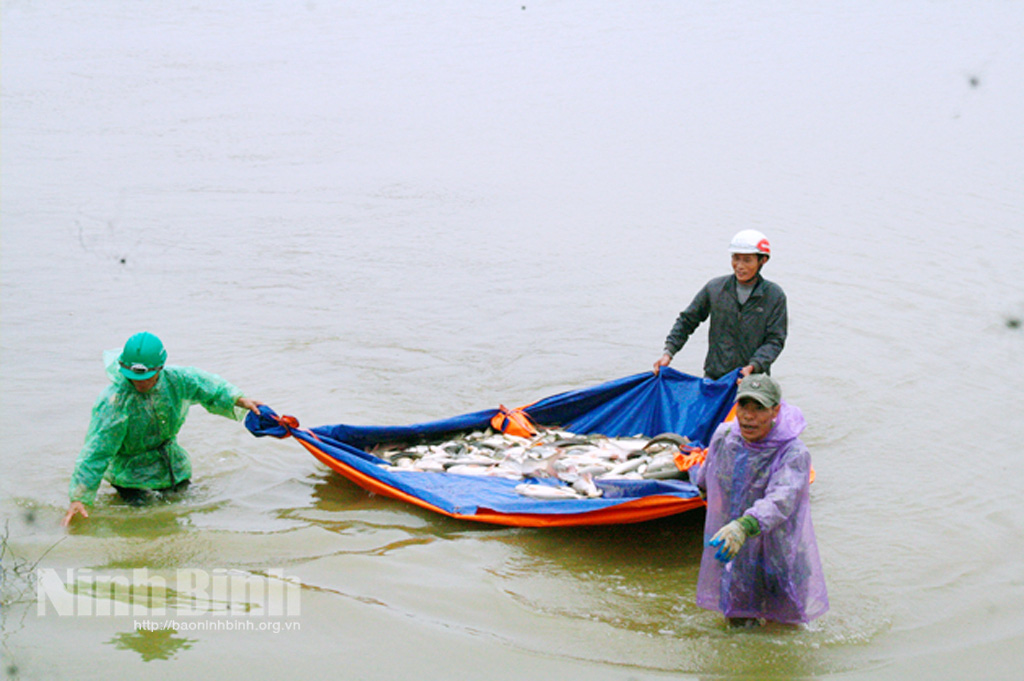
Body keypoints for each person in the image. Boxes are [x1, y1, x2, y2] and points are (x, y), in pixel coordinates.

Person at [62, 332, 263, 526]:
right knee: (146, 517)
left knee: (181, 509)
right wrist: (80, 497)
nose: (140, 382)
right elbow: (97, 451)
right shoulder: (115, 402)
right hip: (130, 474)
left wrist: (240, 400)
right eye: (134, 377)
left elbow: (210, 387)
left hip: (171, 464)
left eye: (147, 377)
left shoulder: (177, 380)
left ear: (159, 368)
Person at [694, 373, 828, 626]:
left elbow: (782, 500)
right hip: (736, 547)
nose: (748, 416)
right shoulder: (724, 437)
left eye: (759, 409)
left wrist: (744, 525)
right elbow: (706, 475)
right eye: (744, 406)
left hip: (779, 549)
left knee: (784, 626)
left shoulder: (793, 452)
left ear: (775, 411)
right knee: (739, 623)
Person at [653, 230, 787, 381]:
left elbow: (775, 340)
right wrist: (668, 353)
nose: (739, 266)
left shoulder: (774, 296)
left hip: (753, 381)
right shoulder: (715, 288)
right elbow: (687, 321)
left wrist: (754, 366)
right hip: (715, 377)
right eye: (736, 258)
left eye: (747, 260)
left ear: (763, 260)